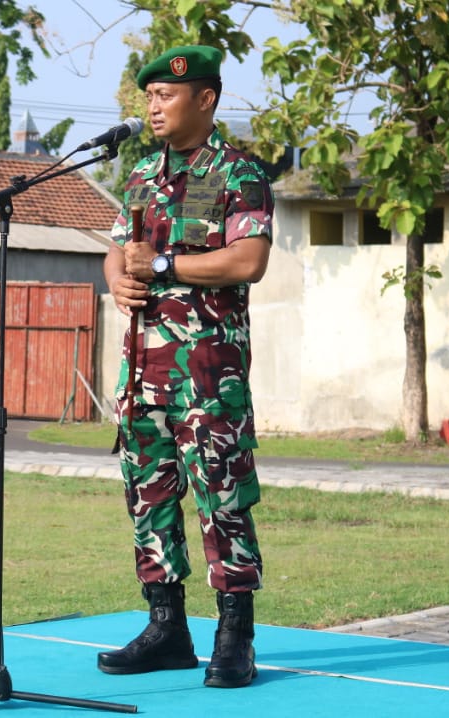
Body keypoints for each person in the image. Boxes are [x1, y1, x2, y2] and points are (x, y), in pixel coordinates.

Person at [97, 44, 274, 689]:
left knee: (222, 497)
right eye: (148, 97)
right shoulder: (140, 175)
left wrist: (166, 267)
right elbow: (117, 252)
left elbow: (247, 260)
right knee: (147, 496)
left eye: (166, 96)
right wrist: (119, 281)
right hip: (142, 372)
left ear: (206, 99)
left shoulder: (239, 173)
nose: (153, 106)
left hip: (207, 373)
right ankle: (166, 627)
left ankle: (236, 636)